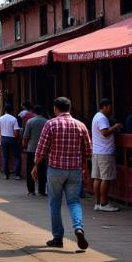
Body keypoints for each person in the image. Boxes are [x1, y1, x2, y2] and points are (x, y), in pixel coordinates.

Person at [33, 96, 91, 251]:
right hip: (74, 169)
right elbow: (88, 150)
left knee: (55, 203)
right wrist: (84, 167)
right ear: (69, 108)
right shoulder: (80, 125)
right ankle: (78, 228)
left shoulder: (50, 124)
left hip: (55, 169)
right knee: (74, 202)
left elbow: (41, 149)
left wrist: (35, 166)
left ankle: (58, 237)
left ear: (55, 109)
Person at [92, 98, 121, 212]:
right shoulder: (102, 118)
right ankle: (104, 203)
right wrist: (115, 127)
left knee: (97, 178)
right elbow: (105, 133)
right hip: (105, 152)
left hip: (97, 151)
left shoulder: (96, 116)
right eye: (109, 107)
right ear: (104, 106)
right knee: (106, 178)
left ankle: (97, 203)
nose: (111, 109)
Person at [23, 105, 48, 196]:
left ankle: (31, 190)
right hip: (43, 150)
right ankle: (42, 190)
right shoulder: (47, 122)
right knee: (42, 169)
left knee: (30, 169)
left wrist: (25, 146)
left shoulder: (30, 122)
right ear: (42, 112)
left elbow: (26, 137)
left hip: (31, 149)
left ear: (34, 112)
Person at [0, 104, 22, 179]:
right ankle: (17, 174)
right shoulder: (13, 119)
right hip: (12, 138)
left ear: (4, 110)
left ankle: (6, 174)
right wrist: (15, 138)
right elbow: (16, 131)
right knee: (17, 156)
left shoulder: (0, 119)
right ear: (12, 110)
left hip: (4, 138)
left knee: (5, 156)